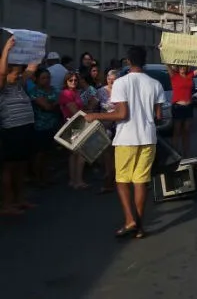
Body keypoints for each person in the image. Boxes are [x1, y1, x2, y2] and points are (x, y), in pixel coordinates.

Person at [85, 46, 166, 239]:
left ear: (128, 61)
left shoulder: (121, 83)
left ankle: (130, 220)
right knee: (140, 182)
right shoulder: (155, 84)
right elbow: (159, 116)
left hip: (126, 138)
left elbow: (122, 114)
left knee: (121, 181)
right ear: (144, 61)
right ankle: (139, 227)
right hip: (148, 138)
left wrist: (95, 115)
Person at [0, 36, 38, 215]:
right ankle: (7, 204)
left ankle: (20, 199)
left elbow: (31, 68)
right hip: (11, 131)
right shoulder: (3, 86)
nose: (20, 75)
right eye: (16, 73)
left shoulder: (19, 85)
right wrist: (6, 50)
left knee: (21, 165)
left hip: (24, 129)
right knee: (9, 167)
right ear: (8, 74)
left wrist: (37, 48)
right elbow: (1, 73)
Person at [27, 67, 61, 187]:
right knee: (39, 154)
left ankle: (46, 177)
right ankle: (38, 178)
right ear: (36, 79)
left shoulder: (54, 89)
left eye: (48, 77)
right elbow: (47, 107)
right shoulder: (34, 91)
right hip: (40, 127)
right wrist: (52, 104)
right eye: (43, 78)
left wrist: (51, 103)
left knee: (49, 153)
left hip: (53, 125)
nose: (46, 80)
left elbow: (59, 103)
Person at [166, 64, 197, 156]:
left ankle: (186, 153)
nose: (182, 68)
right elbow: (167, 66)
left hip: (188, 106)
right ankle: (175, 154)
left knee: (186, 131)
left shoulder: (190, 75)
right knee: (177, 131)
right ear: (178, 68)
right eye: (180, 67)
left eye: (184, 67)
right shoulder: (174, 76)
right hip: (178, 107)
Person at [59, 71, 87, 190]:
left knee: (74, 154)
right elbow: (75, 111)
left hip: (77, 123)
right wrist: (90, 115)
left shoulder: (75, 92)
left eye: (75, 80)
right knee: (80, 154)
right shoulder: (65, 93)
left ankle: (74, 180)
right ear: (66, 81)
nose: (74, 82)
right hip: (73, 125)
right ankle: (78, 181)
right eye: (71, 80)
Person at [96, 69, 120, 194]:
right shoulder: (100, 91)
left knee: (116, 150)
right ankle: (108, 172)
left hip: (119, 124)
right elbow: (94, 104)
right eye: (109, 78)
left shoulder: (121, 91)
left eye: (113, 79)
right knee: (107, 150)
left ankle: (115, 175)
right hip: (105, 124)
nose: (111, 81)